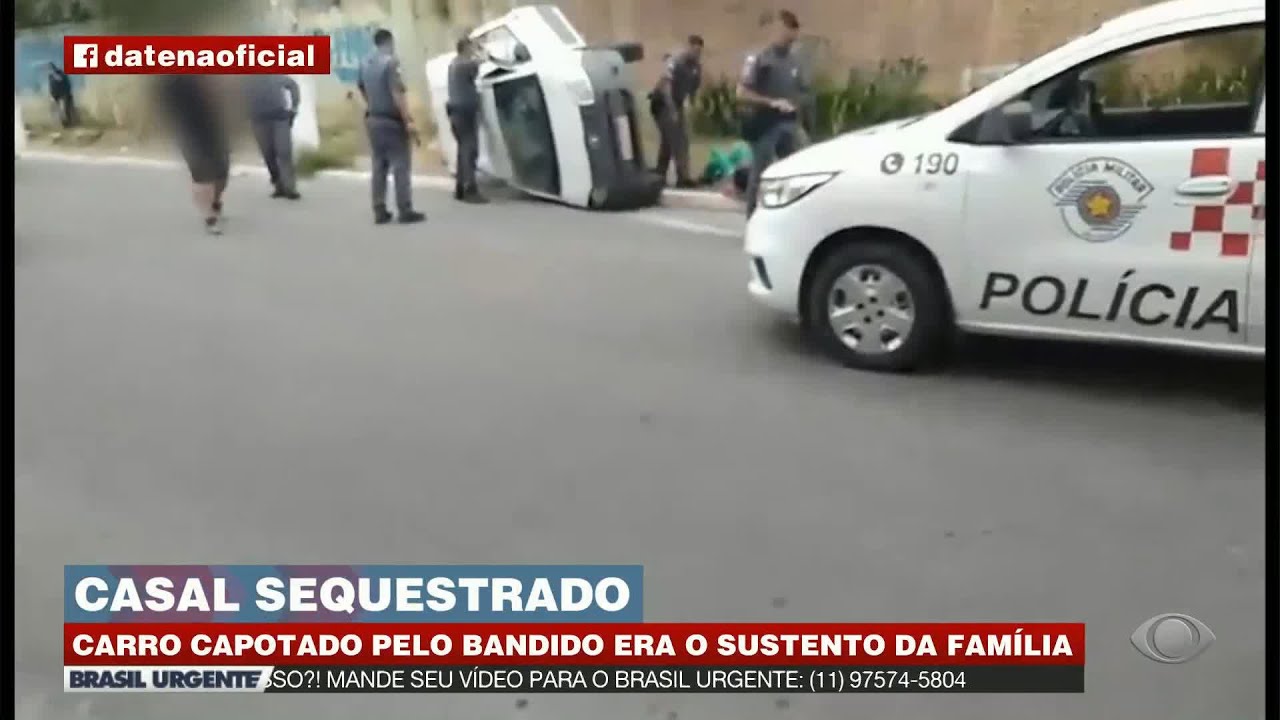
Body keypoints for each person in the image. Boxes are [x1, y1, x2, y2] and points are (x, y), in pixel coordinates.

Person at [737, 10, 806, 216]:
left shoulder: (794, 61)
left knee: (797, 169)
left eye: (794, 33)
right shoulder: (759, 58)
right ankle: (752, 215)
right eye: (787, 31)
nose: (791, 38)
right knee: (761, 172)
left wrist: (799, 107)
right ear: (779, 30)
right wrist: (772, 102)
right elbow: (742, 93)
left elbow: (800, 91)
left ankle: (790, 214)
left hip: (789, 123)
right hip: (765, 123)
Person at [357, 28, 426, 224]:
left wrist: (371, 103)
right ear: (389, 41)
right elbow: (397, 93)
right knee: (400, 165)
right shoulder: (391, 62)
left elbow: (361, 87)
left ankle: (379, 209)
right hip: (391, 120)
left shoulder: (364, 62)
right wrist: (408, 120)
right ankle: (405, 209)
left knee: (379, 166)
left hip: (373, 119)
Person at [154, 74, 232, 235]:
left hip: (215, 130)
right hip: (189, 134)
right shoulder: (170, 81)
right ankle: (209, 218)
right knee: (202, 175)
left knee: (222, 172)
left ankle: (215, 201)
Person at [649, 35, 704, 188]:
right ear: (688, 47)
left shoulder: (696, 67)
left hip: (677, 103)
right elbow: (666, 87)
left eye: (699, 52)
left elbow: (693, 88)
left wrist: (691, 105)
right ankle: (683, 177)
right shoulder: (675, 62)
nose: (696, 54)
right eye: (694, 50)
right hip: (662, 102)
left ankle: (660, 174)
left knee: (669, 140)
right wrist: (672, 109)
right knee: (679, 139)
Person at [246, 74, 301, 200]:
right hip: (258, 119)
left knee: (284, 151)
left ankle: (290, 187)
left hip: (279, 117)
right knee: (268, 153)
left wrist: (294, 107)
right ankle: (278, 184)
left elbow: (292, 85)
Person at [446, 34, 487, 204]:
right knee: (470, 150)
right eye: (470, 47)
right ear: (466, 48)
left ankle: (460, 188)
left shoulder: (453, 64)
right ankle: (470, 189)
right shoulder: (465, 64)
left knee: (463, 149)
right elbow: (482, 60)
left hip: (455, 111)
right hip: (465, 112)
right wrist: (480, 50)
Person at [47, 63, 77, 128]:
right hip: (56, 95)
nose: (48, 70)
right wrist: (51, 95)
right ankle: (62, 123)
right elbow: (51, 86)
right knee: (57, 110)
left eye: (49, 69)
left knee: (65, 109)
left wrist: (53, 73)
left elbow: (60, 79)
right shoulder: (50, 76)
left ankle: (68, 123)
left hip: (64, 94)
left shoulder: (61, 74)